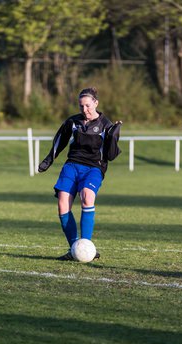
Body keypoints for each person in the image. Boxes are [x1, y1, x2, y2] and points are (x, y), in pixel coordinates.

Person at [38, 87, 122, 261]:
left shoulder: (105, 125)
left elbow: (111, 156)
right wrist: (48, 160)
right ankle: (75, 248)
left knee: (87, 197)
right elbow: (59, 140)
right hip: (72, 165)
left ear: (96, 103)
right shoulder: (73, 122)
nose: (84, 110)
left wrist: (113, 137)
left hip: (94, 168)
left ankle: (86, 247)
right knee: (62, 204)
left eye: (88, 106)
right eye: (81, 106)